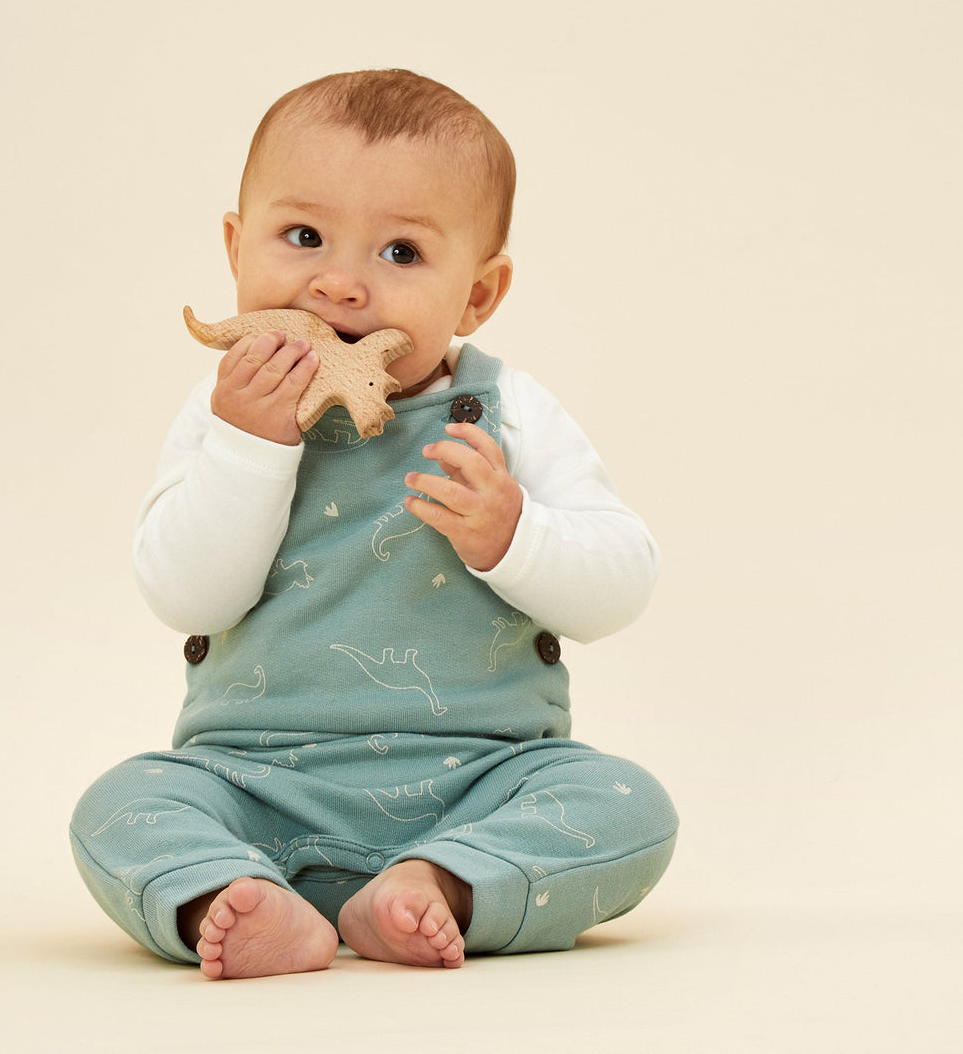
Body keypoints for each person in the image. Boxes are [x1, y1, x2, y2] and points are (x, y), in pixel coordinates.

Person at [70, 69, 678, 978]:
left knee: (628, 803)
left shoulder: (507, 414)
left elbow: (623, 582)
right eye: (303, 236)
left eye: (400, 254)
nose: (340, 285)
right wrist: (251, 450)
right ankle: (240, 895)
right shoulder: (221, 415)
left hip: (482, 783)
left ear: (477, 295)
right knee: (117, 807)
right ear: (237, 249)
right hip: (252, 782)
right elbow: (185, 593)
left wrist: (512, 536)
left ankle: (437, 885)